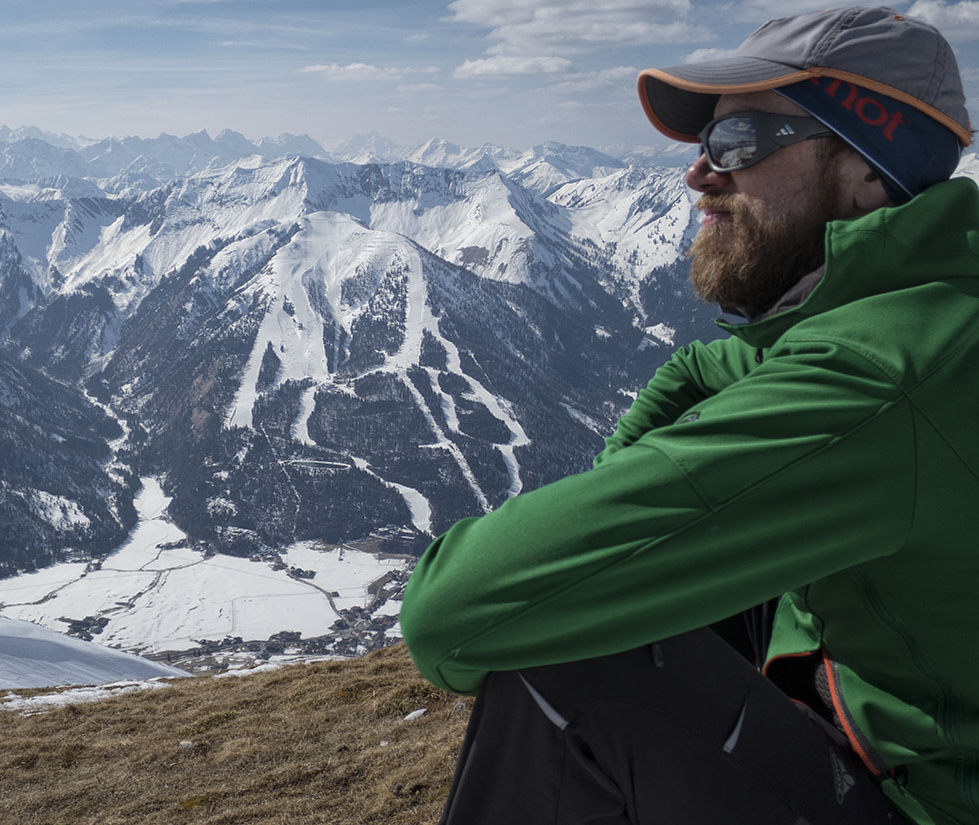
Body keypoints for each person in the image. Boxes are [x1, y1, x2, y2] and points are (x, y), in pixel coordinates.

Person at [399, 7, 977, 825]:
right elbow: (710, 366)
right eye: (707, 142)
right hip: (879, 734)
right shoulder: (930, 302)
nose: (699, 173)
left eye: (739, 141)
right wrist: (634, 476)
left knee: (562, 656)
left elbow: (451, 614)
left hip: (918, 800)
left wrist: (617, 523)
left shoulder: (875, 379)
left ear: (867, 171)